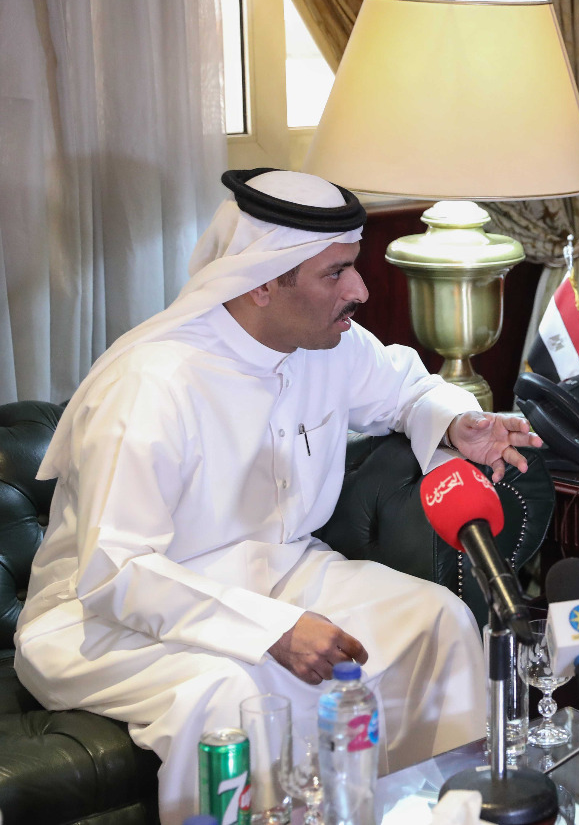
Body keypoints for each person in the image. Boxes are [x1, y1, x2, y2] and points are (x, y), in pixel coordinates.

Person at [14, 169, 543, 825]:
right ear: (262, 281)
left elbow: (407, 389)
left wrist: (459, 420)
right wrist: (273, 629)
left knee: (435, 620)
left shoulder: (325, 344)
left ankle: (444, 812)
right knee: (231, 694)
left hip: (282, 571)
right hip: (109, 618)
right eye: (336, 272)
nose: (360, 289)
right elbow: (116, 573)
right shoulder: (150, 384)